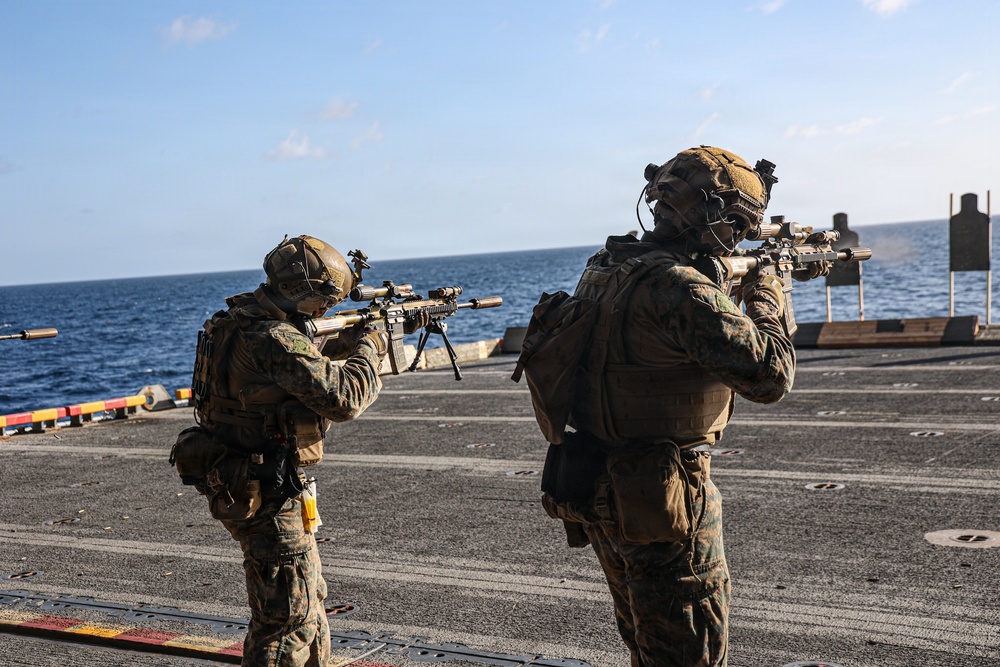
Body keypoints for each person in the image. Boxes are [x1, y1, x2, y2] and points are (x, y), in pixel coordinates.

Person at [539, 146, 796, 666]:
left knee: (647, 642)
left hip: (597, 479)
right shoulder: (681, 289)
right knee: (688, 652)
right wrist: (769, 294)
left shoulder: (608, 265)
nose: (740, 237)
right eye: (738, 225)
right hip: (664, 495)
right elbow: (771, 377)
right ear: (713, 216)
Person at [178, 235, 409, 667]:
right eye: (323, 301)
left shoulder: (234, 320)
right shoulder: (273, 337)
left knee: (306, 602)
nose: (326, 310)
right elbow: (343, 397)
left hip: (245, 477)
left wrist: (349, 340)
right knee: (286, 621)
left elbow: (298, 363)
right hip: (267, 487)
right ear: (299, 291)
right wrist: (372, 346)